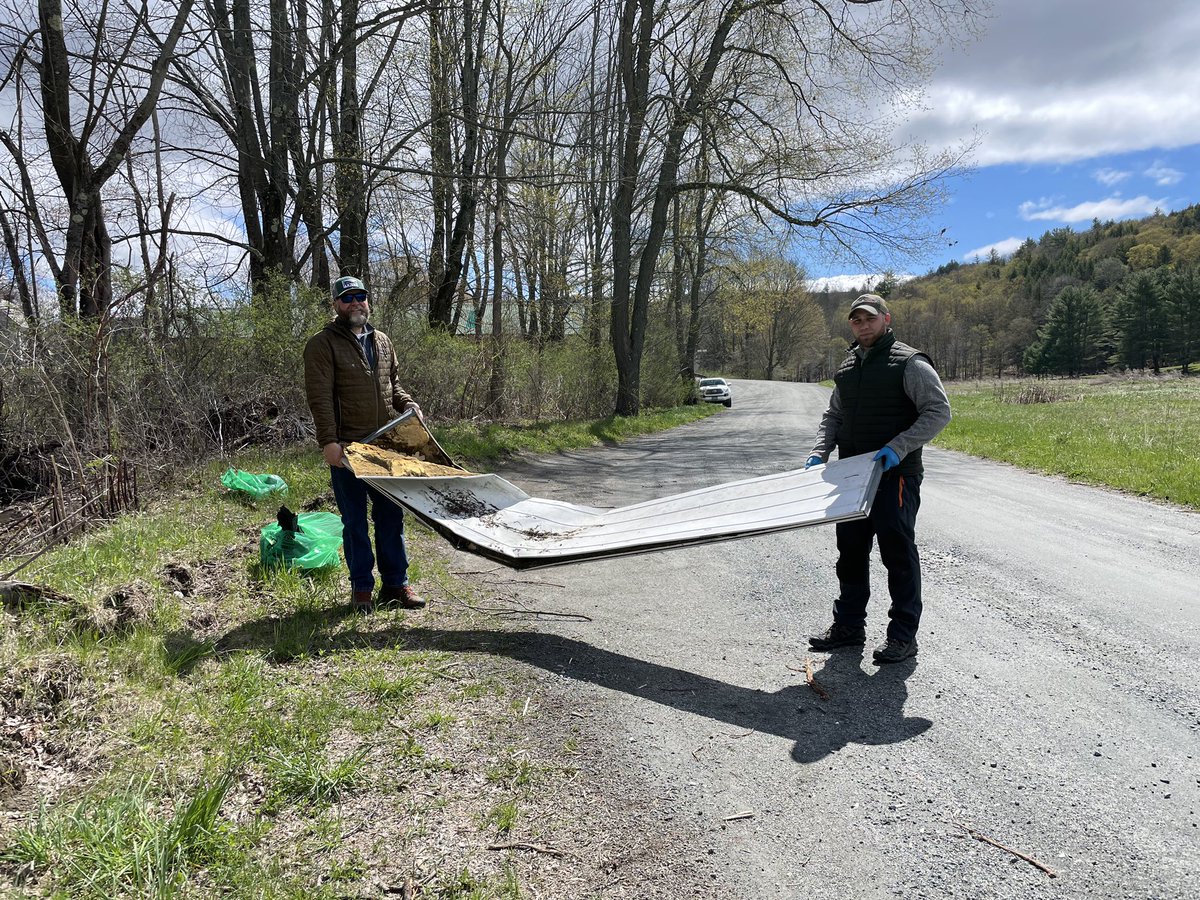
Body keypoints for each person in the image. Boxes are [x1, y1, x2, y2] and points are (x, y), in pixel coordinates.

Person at [804, 294, 951, 664]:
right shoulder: (848, 366)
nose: (863, 325)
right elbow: (834, 415)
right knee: (850, 554)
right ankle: (848, 627)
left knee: (897, 555)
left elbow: (938, 411)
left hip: (894, 476)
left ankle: (903, 636)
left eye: (869, 318)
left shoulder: (910, 363)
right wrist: (820, 451)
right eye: (856, 320)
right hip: (850, 477)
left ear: (886, 319)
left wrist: (898, 448)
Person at [303, 275, 426, 614]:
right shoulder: (322, 344)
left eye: (360, 296)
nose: (355, 302)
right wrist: (329, 442)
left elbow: (393, 384)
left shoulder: (382, 341)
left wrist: (408, 404)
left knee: (391, 516)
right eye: (347, 298)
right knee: (355, 521)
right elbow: (320, 398)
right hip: (348, 448)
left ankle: (396, 585)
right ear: (336, 304)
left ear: (368, 300)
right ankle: (362, 590)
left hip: (385, 446)